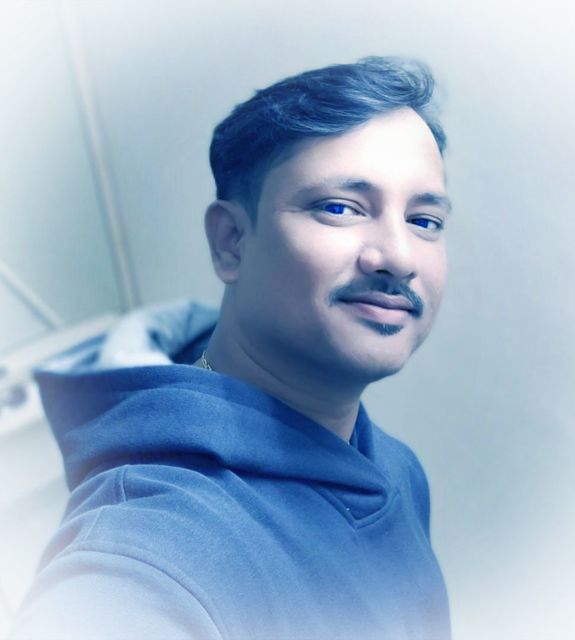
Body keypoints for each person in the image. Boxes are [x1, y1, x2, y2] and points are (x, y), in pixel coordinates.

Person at [9, 56, 453, 640]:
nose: (398, 256)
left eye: (424, 220)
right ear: (231, 242)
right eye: (340, 208)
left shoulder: (396, 467)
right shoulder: (144, 557)